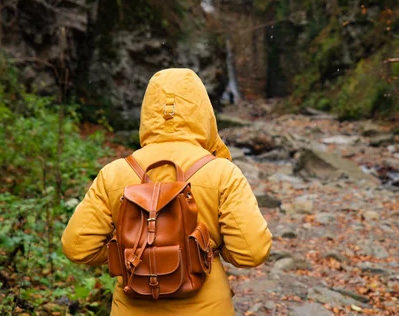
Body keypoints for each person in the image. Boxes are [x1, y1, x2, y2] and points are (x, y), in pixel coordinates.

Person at [61, 68, 272, 315]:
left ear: (147, 112)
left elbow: (76, 247)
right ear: (203, 111)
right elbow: (252, 252)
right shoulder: (222, 173)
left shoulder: (114, 173)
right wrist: (209, 248)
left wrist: (130, 251)